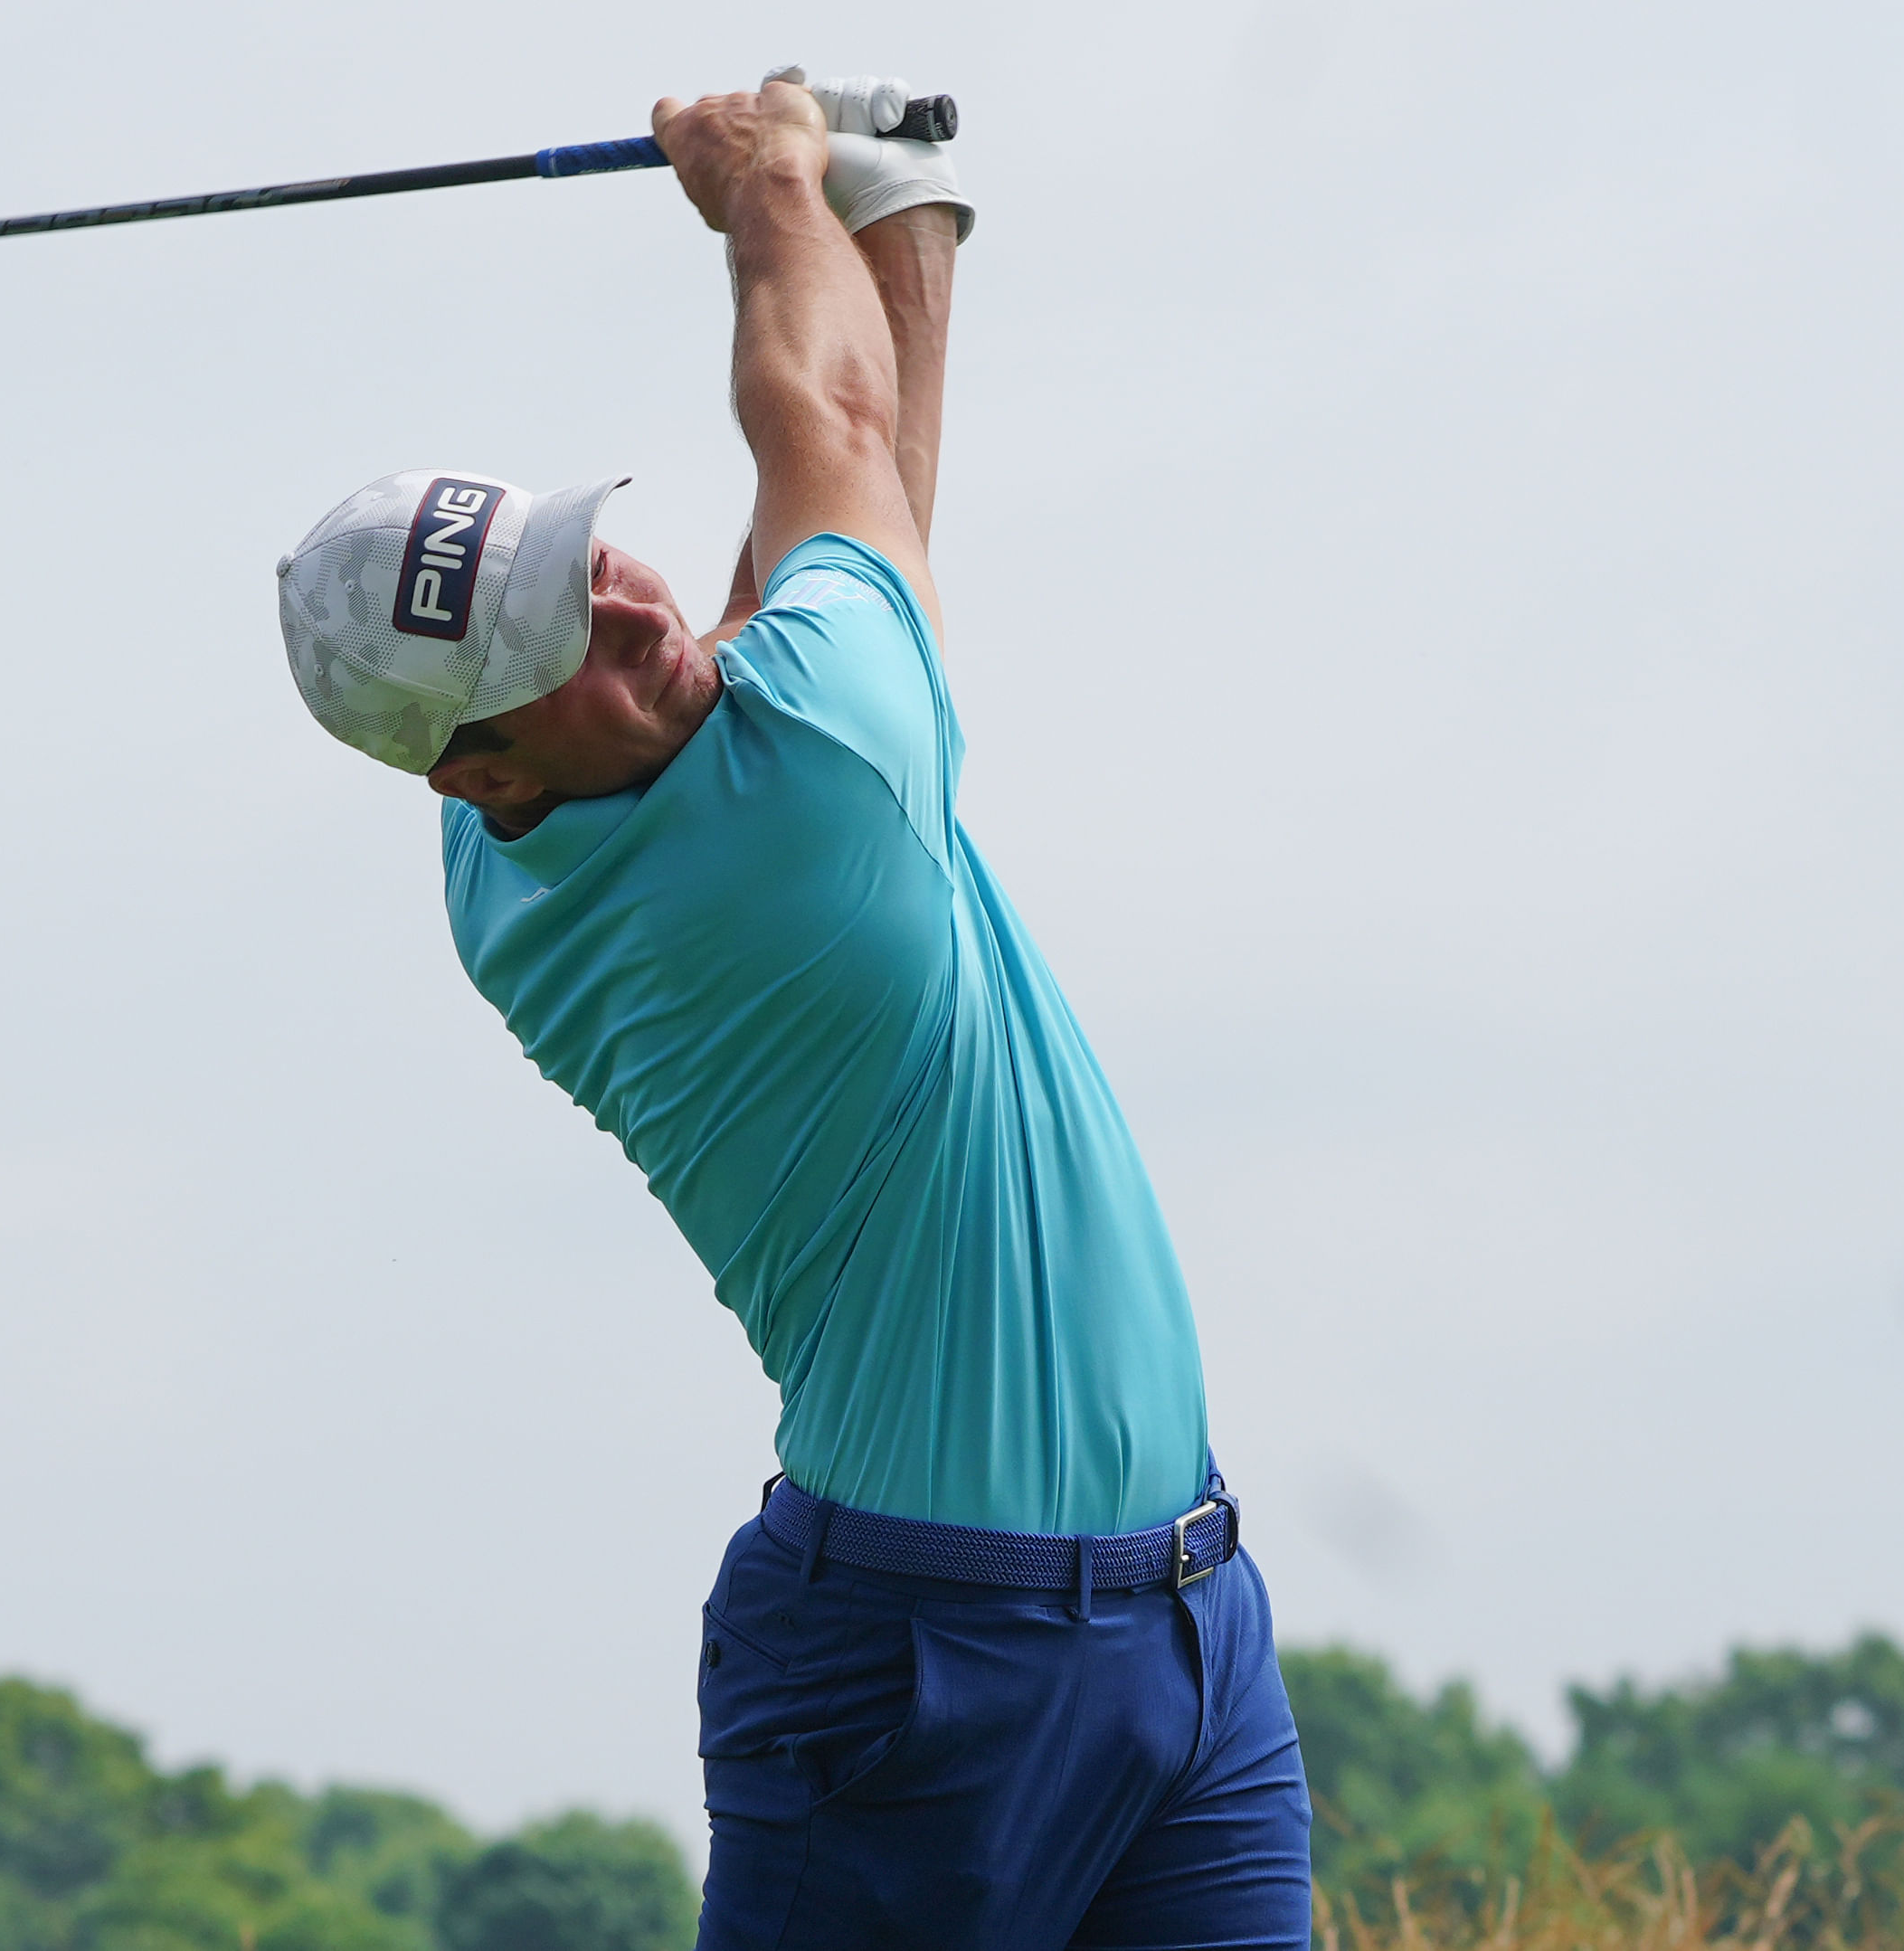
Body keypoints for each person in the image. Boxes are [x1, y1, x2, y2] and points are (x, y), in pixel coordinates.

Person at [273, 71, 1312, 1950]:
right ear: (479, 772)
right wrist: (770, 193)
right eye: (553, 645)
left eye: (580, 557)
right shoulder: (801, 800)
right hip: (916, 1659)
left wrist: (885, 212)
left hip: (1184, 1617)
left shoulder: (571, 827)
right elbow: (826, 430)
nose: (629, 610)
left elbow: (851, 525)